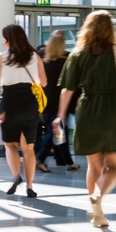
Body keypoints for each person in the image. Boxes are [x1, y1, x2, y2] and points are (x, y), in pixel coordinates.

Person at [53, 10, 116, 227]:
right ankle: (99, 195)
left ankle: (97, 211)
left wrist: (60, 116)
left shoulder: (77, 54)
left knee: (94, 166)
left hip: (87, 110)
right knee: (115, 167)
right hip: (112, 110)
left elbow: (67, 89)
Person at [0, 24, 47, 199]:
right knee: (28, 147)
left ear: (7, 39)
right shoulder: (34, 56)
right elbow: (43, 82)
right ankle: (30, 186)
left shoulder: (1, 57)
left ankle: (16, 176)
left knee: (10, 144)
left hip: (9, 101)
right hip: (29, 102)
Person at [35, 32, 79, 173]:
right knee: (55, 131)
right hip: (60, 102)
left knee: (60, 131)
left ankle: (67, 161)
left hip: (46, 101)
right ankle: (40, 159)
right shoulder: (66, 61)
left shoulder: (44, 60)